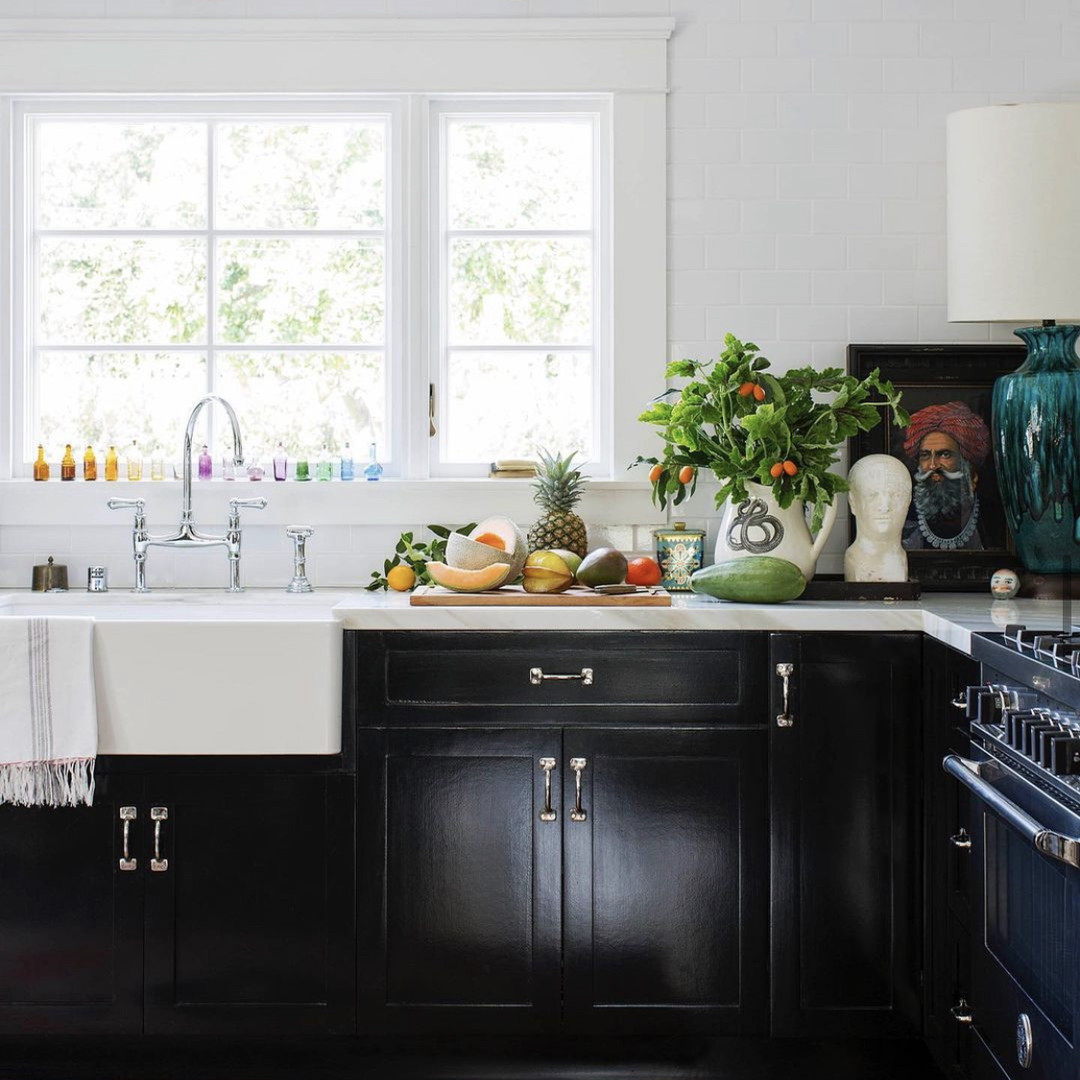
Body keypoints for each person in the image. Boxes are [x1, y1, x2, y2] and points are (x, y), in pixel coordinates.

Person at [901, 401, 990, 551]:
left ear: (971, 472)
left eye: (945, 454)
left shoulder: (990, 516)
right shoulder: (904, 516)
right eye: (925, 455)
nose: (933, 465)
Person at [845, 454, 912, 582]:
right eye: (872, 495)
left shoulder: (901, 563)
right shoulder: (853, 563)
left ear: (908, 501)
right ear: (852, 502)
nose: (885, 506)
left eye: (896, 495)